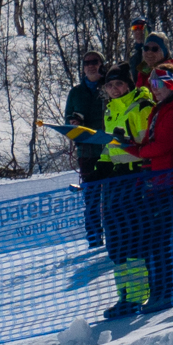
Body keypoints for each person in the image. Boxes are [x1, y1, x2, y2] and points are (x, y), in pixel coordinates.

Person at [110, 66, 173, 317]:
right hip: (156, 179)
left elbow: (161, 146)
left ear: (170, 85)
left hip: (169, 179)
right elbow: (151, 142)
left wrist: (135, 151)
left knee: (160, 240)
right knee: (155, 239)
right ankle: (160, 291)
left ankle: (167, 292)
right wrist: (132, 145)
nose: (154, 91)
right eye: (152, 87)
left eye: (157, 86)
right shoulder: (162, 108)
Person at [96, 68, 153, 312]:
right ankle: (124, 296)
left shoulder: (140, 106)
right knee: (116, 242)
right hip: (115, 180)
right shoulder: (110, 110)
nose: (114, 89)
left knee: (133, 238)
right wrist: (100, 165)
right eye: (110, 86)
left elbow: (147, 142)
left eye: (119, 84)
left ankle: (138, 296)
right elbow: (109, 146)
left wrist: (126, 144)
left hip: (136, 175)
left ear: (128, 85)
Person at [64, 52, 108, 248]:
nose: (91, 66)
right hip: (87, 153)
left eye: (95, 62)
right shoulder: (75, 92)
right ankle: (94, 239)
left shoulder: (110, 86)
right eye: (87, 63)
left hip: (110, 152)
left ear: (101, 65)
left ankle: (115, 234)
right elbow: (67, 121)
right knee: (91, 199)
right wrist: (73, 123)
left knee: (112, 197)